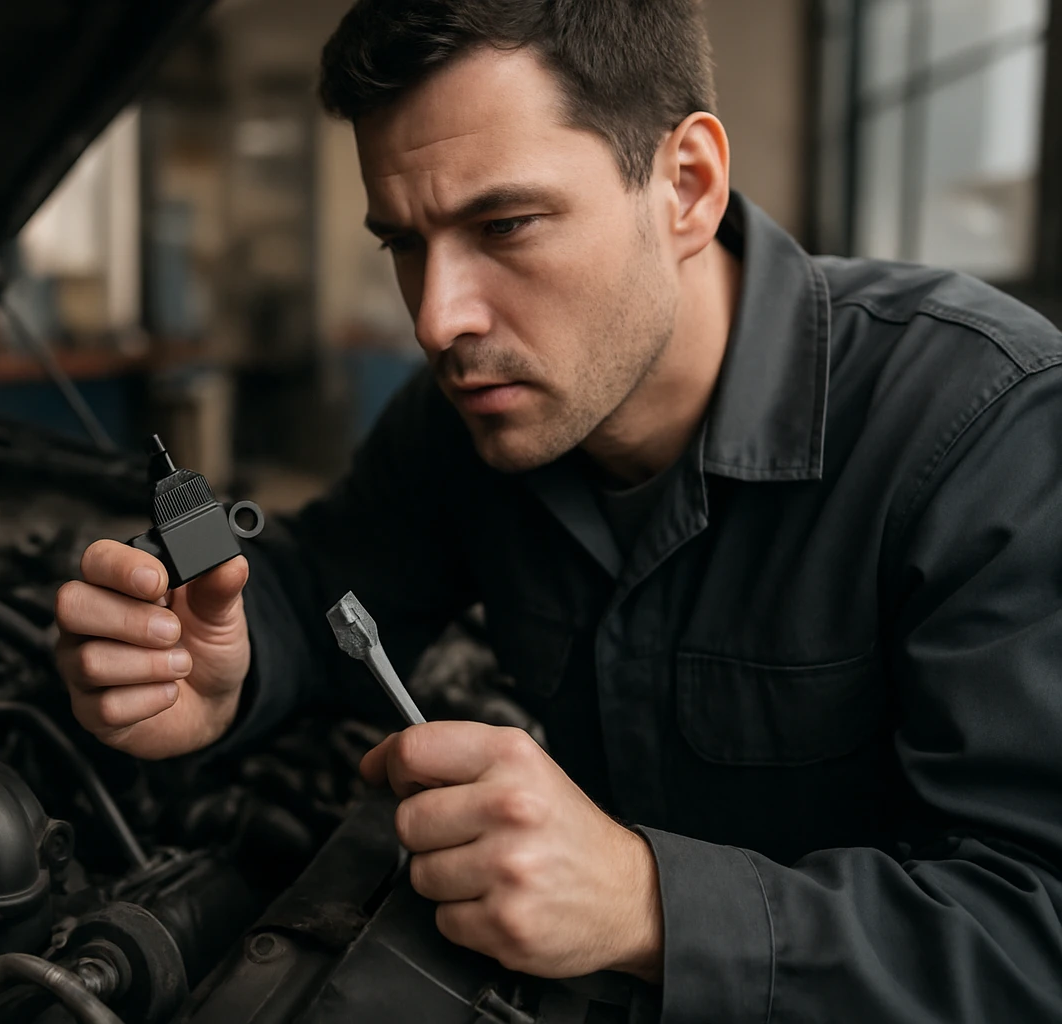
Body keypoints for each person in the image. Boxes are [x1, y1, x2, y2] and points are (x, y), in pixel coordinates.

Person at [54, 1, 1062, 1019]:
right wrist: (220, 664)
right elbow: (321, 586)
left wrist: (650, 906)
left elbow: (1036, 931)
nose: (439, 318)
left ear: (686, 186)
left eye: (506, 226)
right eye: (404, 242)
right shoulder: (463, 424)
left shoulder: (986, 433)